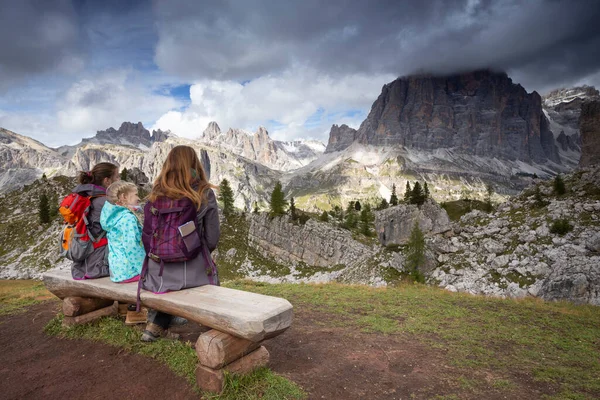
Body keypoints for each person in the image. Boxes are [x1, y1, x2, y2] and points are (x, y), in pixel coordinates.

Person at [140, 145, 220, 342]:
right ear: (195, 164)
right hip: (193, 272)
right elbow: (212, 238)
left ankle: (155, 323)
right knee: (211, 277)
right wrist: (195, 253)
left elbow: (148, 235)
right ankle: (207, 327)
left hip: (158, 273)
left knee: (167, 285)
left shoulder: (155, 193)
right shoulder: (203, 192)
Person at [71, 162, 120, 280]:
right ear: (107, 181)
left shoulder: (86, 197)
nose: (119, 180)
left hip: (82, 265)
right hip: (100, 265)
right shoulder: (106, 202)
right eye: (117, 177)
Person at [100, 181, 145, 283]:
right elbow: (132, 246)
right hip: (131, 271)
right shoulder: (128, 218)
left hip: (118, 272)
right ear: (124, 197)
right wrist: (144, 269)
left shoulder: (113, 217)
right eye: (135, 195)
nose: (138, 198)